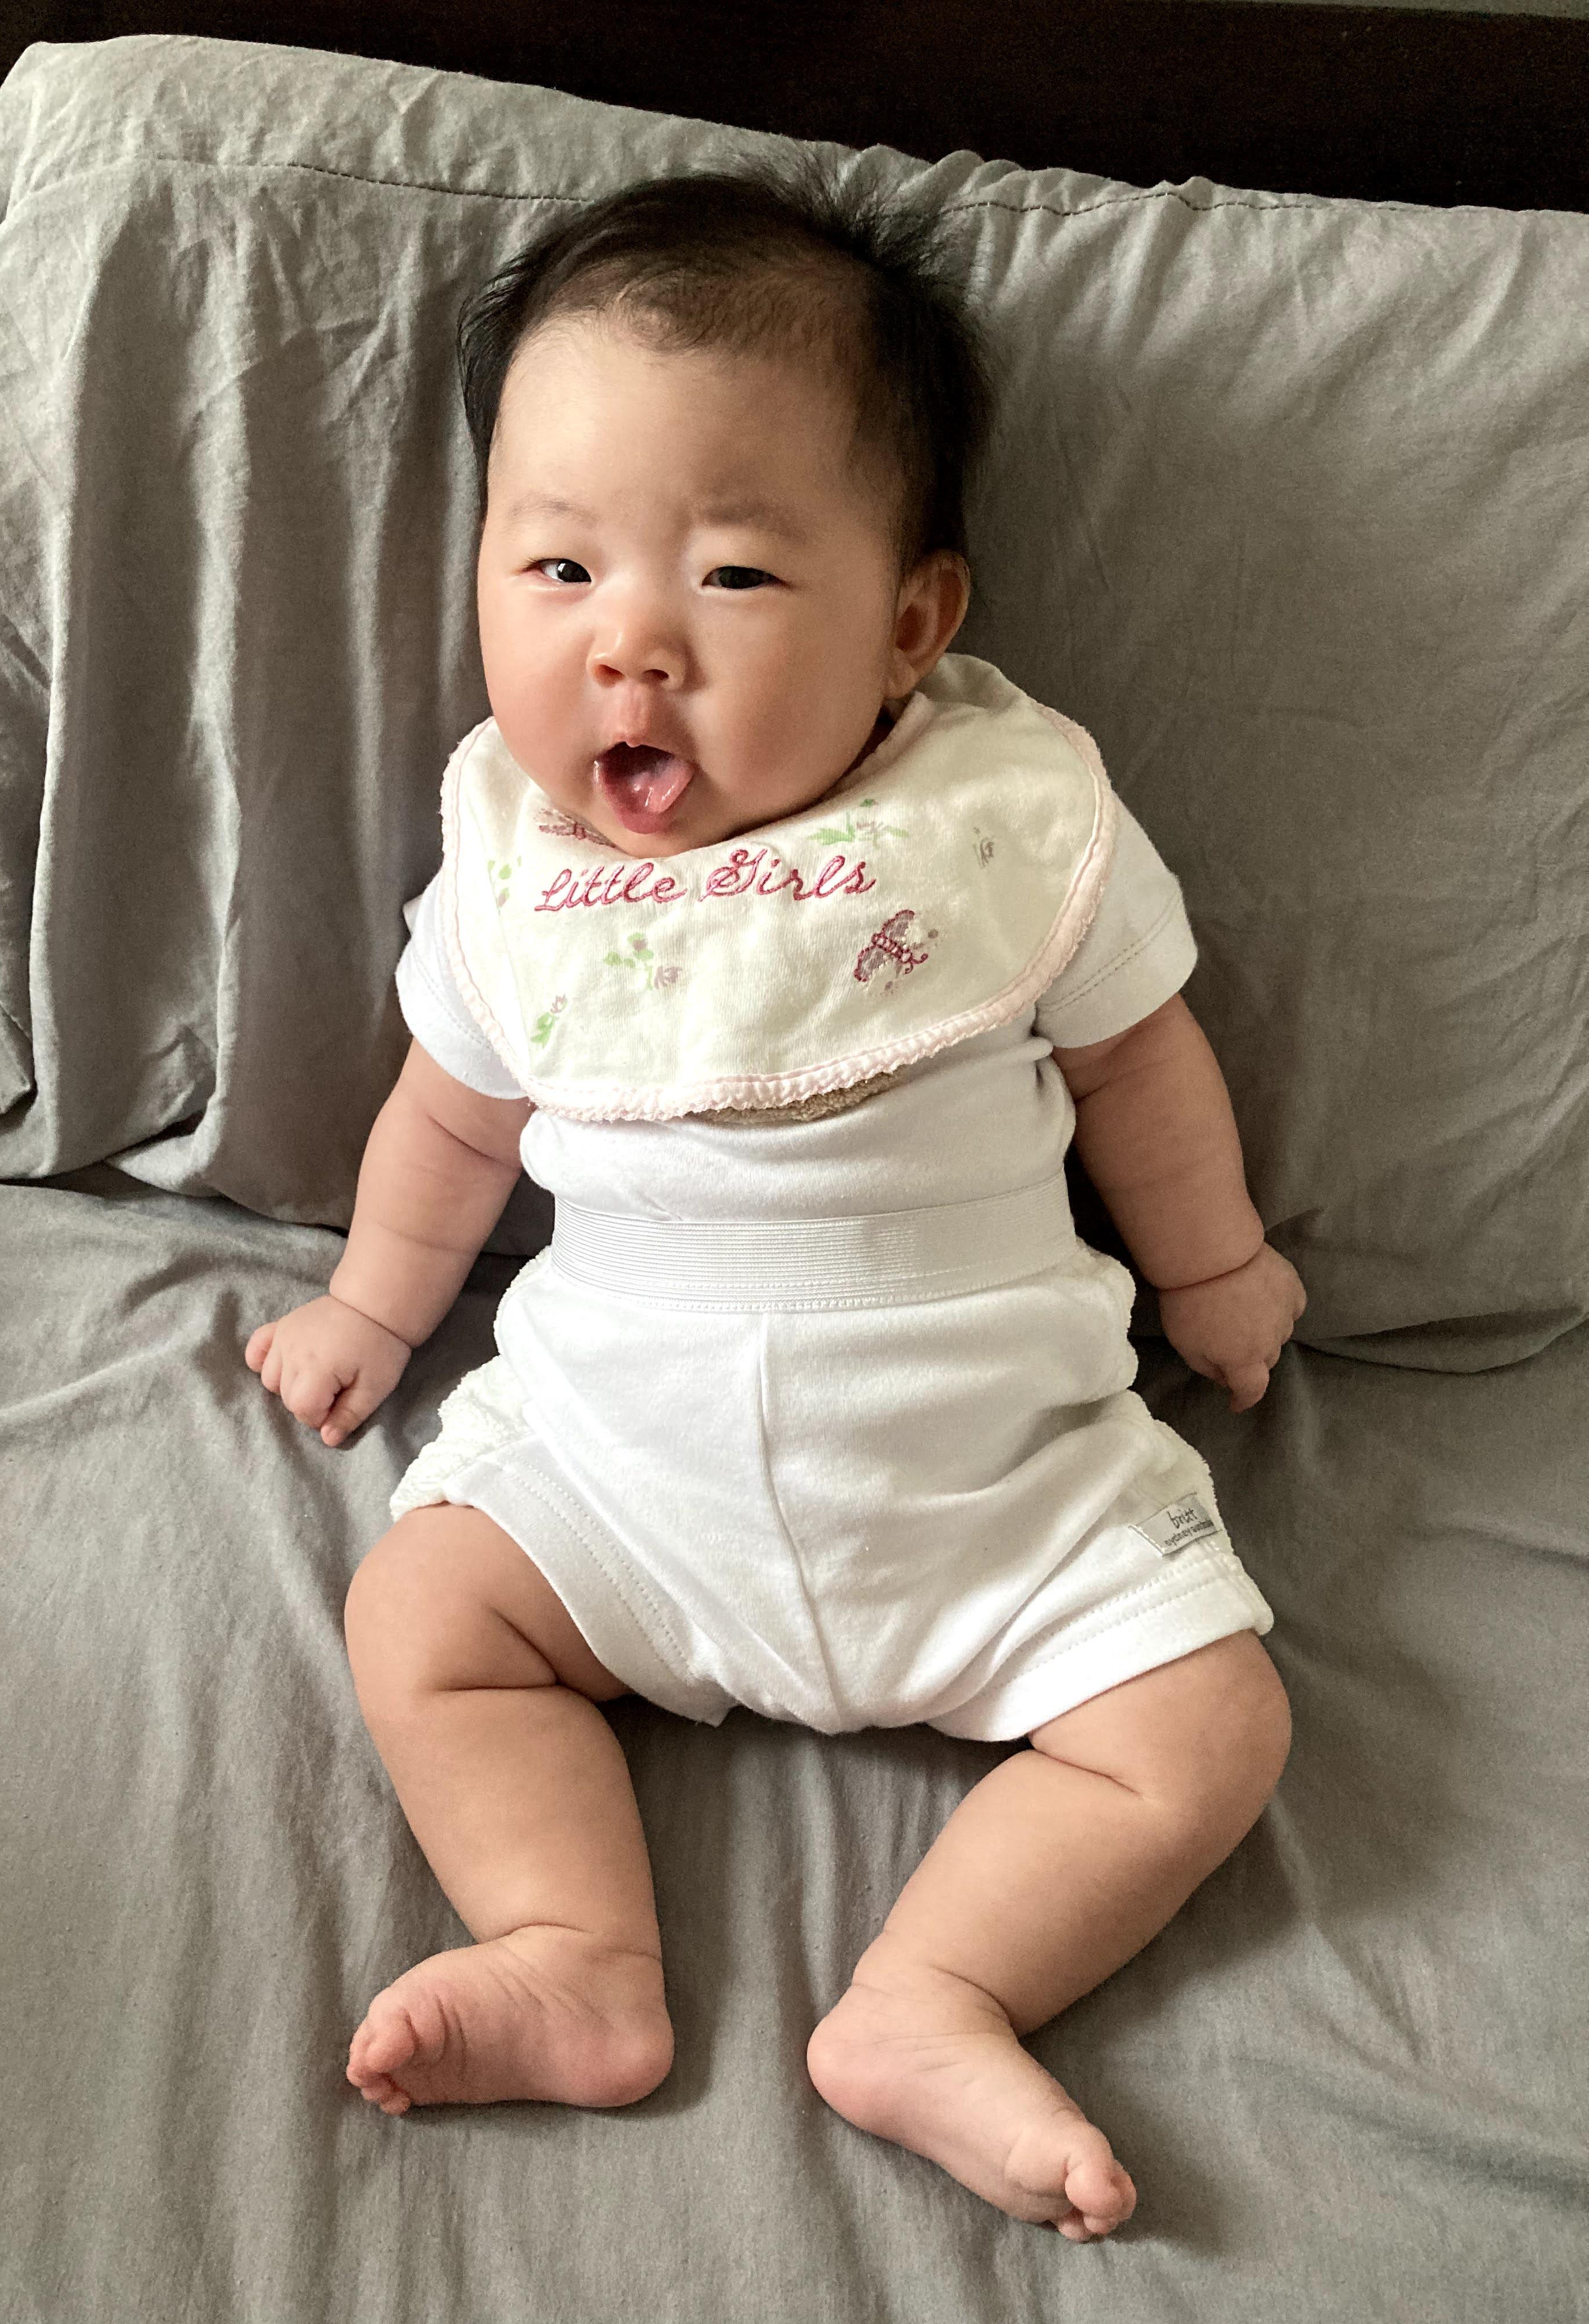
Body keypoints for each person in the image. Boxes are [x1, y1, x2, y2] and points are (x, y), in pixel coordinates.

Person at [246, 164, 1306, 2241]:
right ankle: (573, 1952)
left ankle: (935, 1999)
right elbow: (449, 1126)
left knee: (1211, 1724)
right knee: (422, 1618)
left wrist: (1220, 1268)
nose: (630, 642)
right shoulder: (519, 874)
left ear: (911, 620)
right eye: (557, 565)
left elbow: (1139, 1068)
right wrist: (374, 1306)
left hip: (997, 1498)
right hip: (618, 1500)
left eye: (732, 576)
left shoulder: (1003, 824)